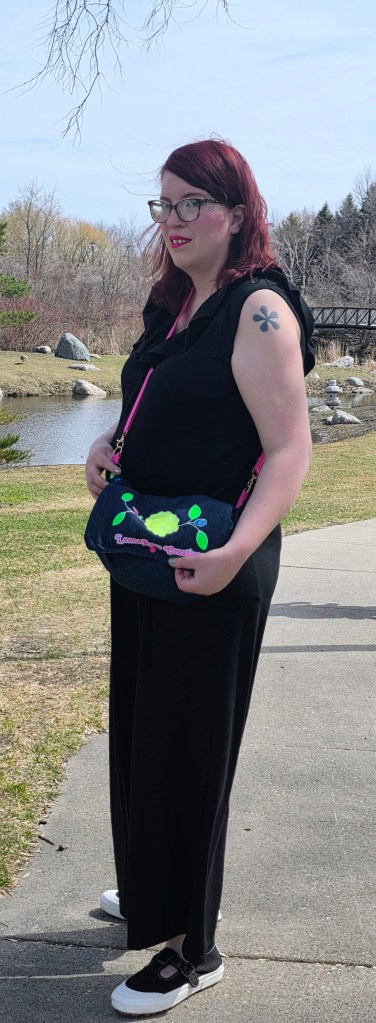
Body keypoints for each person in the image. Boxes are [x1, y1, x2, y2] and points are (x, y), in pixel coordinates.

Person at [85, 138, 315, 1016]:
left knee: (192, 745)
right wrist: (109, 449)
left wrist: (232, 553)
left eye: (193, 204)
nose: (174, 221)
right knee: (143, 730)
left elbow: (291, 449)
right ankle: (151, 890)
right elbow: (149, 404)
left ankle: (193, 942)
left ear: (237, 211)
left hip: (218, 560)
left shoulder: (259, 310)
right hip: (148, 551)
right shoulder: (174, 303)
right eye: (164, 204)